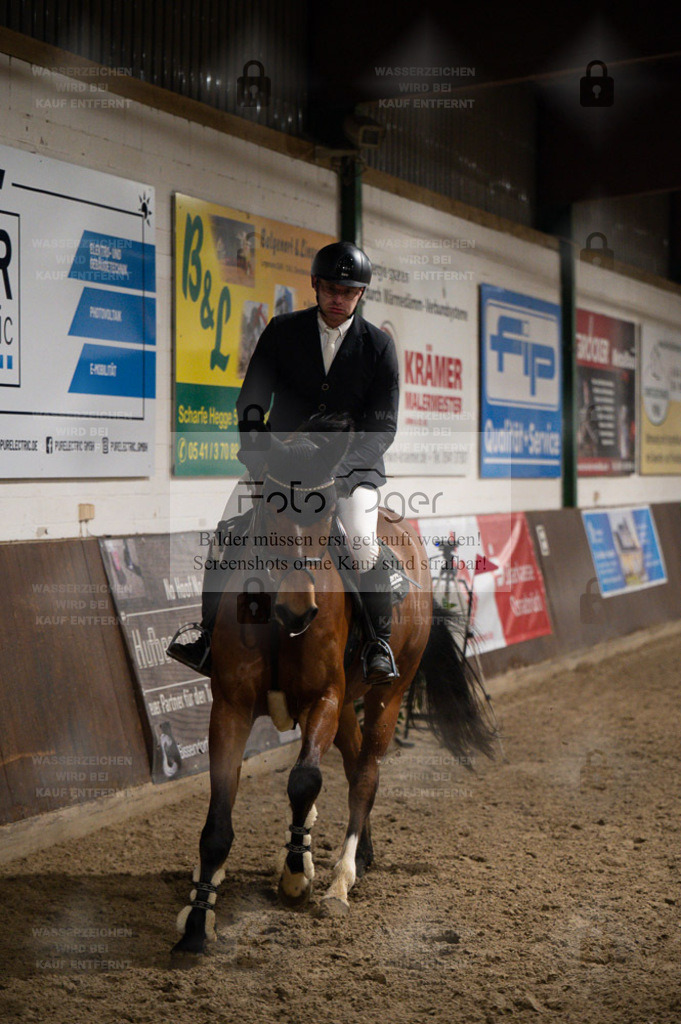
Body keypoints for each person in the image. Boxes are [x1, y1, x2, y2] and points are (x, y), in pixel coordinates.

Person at [168, 241, 400, 683]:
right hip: (278, 465)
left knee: (363, 545)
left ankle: (378, 642)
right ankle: (207, 638)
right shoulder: (281, 330)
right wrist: (257, 459)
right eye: (331, 287)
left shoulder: (379, 347)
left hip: (348, 470)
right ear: (314, 284)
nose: (338, 298)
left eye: (348, 291)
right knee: (226, 535)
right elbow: (251, 403)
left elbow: (383, 427)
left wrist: (343, 473)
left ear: (361, 294)